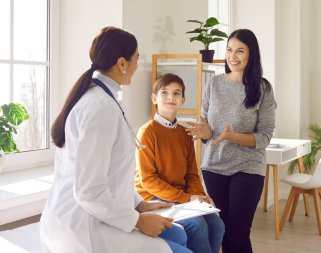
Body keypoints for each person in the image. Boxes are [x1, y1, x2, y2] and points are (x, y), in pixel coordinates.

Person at [40, 27, 193, 253]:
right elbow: (88, 191)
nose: (137, 64)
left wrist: (139, 204)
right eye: (136, 59)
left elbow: (110, 175)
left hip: (89, 214)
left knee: (178, 233)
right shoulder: (99, 107)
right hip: (84, 227)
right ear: (122, 63)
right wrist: (138, 220)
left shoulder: (103, 98)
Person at [186, 29, 277, 253]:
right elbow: (206, 127)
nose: (232, 56)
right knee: (221, 232)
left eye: (239, 51)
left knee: (238, 235)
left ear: (251, 55)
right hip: (214, 166)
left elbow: (264, 137)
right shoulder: (213, 84)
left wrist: (232, 136)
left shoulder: (262, 88)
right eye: (229, 49)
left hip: (248, 167)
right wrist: (204, 132)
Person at [134, 73, 225, 253]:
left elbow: (191, 174)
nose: (170, 97)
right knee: (197, 226)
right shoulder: (147, 132)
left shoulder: (185, 133)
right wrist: (187, 198)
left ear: (182, 100)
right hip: (152, 197)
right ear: (154, 98)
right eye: (164, 92)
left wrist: (201, 198)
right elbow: (148, 180)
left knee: (217, 223)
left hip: (180, 197)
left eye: (176, 93)